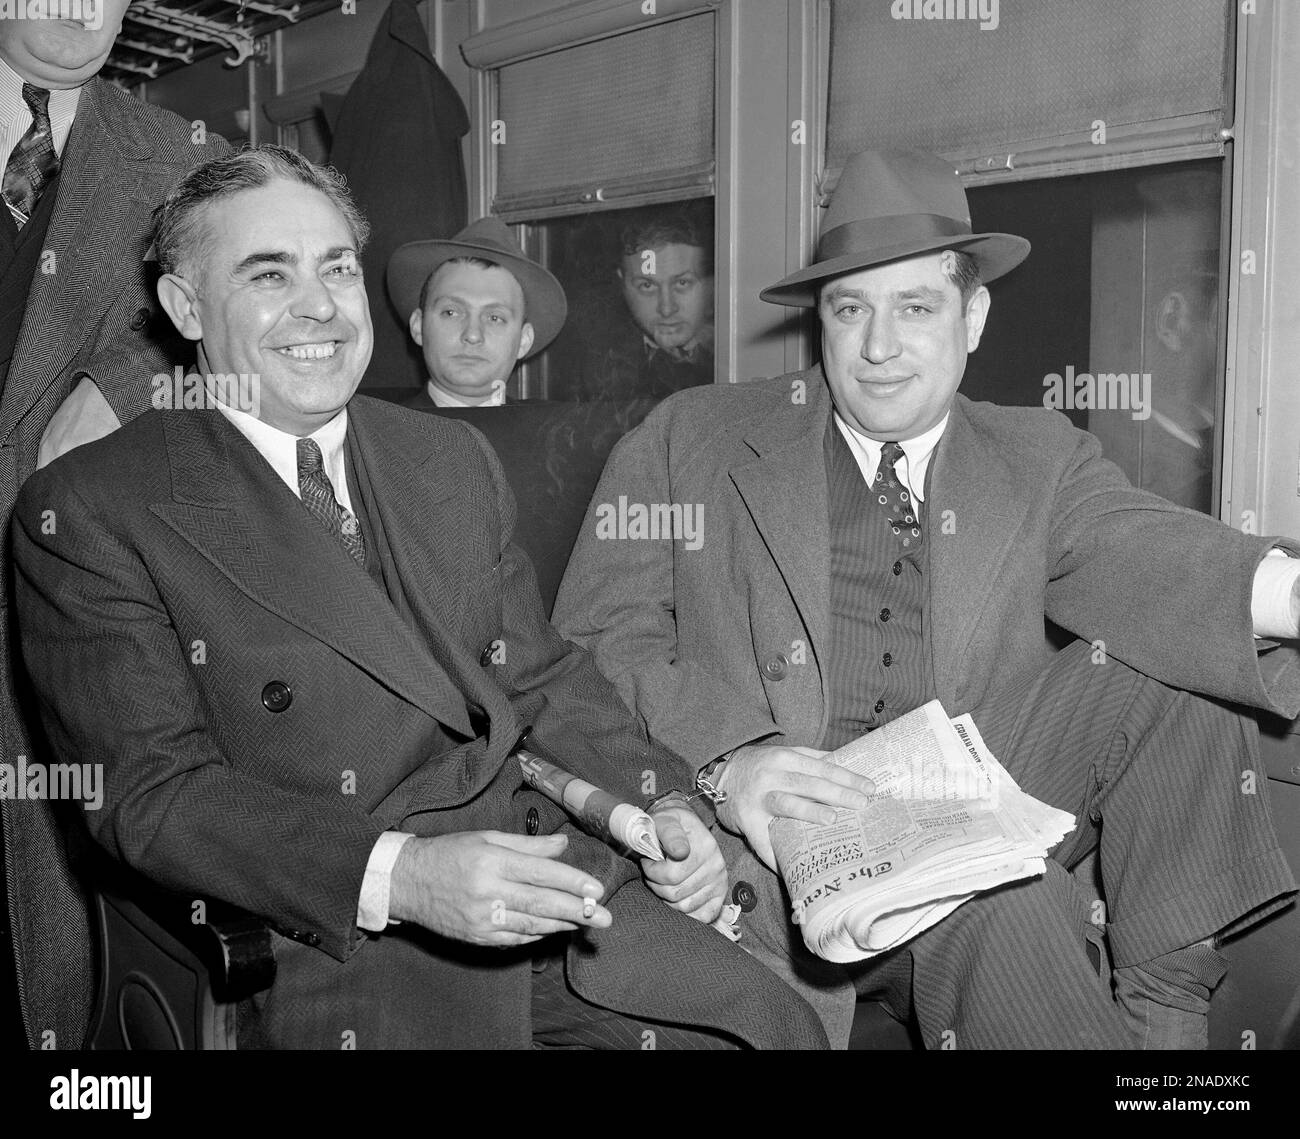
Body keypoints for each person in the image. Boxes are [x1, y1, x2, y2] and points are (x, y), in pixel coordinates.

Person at [10, 146, 827, 1049]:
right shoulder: (91, 509)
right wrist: (407, 878)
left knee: (773, 1025)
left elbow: (541, 675)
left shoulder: (446, 457)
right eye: (269, 274)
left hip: (555, 885)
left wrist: (666, 800)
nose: (319, 306)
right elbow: (153, 796)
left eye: (336, 269)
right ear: (185, 305)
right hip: (337, 938)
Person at [553, 149, 1300, 1049]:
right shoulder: (691, 439)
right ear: (819, 322)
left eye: (915, 307)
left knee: (1166, 652)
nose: (878, 346)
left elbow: (1139, 548)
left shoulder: (1036, 454)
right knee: (1022, 911)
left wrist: (1292, 592)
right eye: (850, 308)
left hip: (964, 827)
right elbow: (593, 638)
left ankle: (1167, 1048)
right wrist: (731, 759)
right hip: (766, 855)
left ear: (973, 316)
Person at [0, 2, 227, 1048]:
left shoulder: (184, 159)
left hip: (61, 608)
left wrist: (126, 383)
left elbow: (250, 302)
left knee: (58, 957)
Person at [387, 217, 564, 409]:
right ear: (418, 326)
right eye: (451, 312)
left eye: (494, 318)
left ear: (524, 340)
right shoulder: (372, 435)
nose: (472, 335)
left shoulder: (555, 434)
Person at [567, 208, 715, 401]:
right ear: (623, 284)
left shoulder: (732, 359)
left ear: (711, 284)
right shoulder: (597, 365)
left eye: (682, 283)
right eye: (647, 285)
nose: (666, 308)